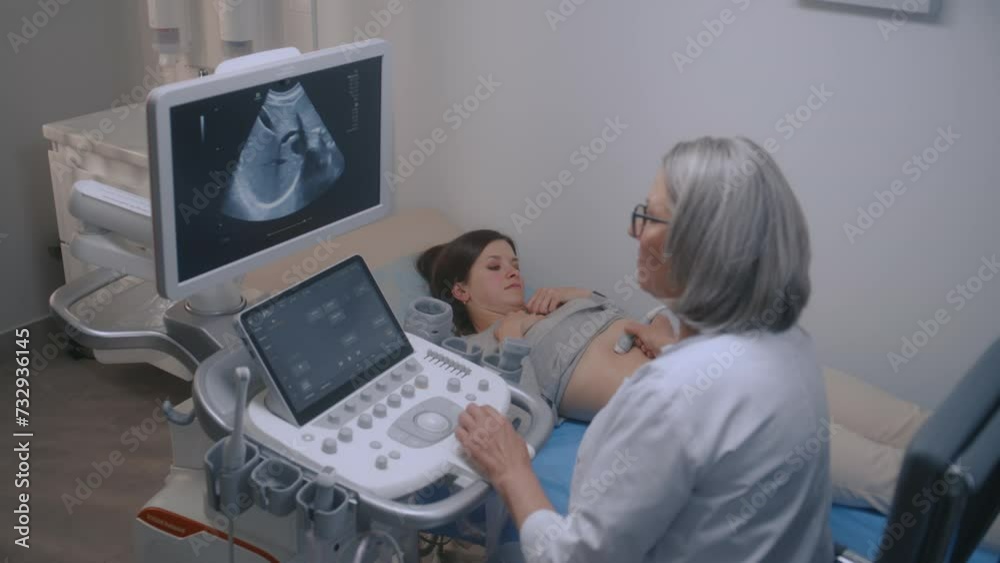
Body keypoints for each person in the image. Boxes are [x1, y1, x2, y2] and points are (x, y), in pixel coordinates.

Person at [454, 136, 833, 562]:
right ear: (460, 290)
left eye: (649, 217)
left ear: (698, 244)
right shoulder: (790, 344)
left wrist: (511, 471)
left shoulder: (670, 397)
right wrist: (673, 343)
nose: (633, 231)